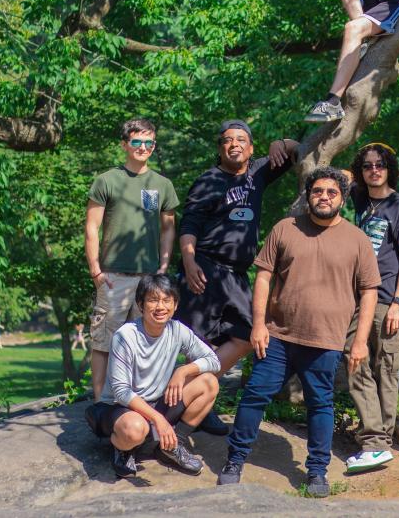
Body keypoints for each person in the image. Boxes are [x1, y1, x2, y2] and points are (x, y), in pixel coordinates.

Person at [217, 167, 380, 498]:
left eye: (332, 192)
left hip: (326, 340)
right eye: (317, 191)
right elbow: (263, 277)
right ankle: (234, 461)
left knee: (320, 404)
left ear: (343, 198)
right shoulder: (285, 228)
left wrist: (360, 341)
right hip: (277, 335)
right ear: (308, 195)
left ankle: (317, 471)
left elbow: (369, 292)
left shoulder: (357, 239)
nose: (324, 197)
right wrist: (258, 324)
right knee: (255, 394)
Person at [175, 120, 299, 435]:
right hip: (206, 267)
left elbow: (299, 149)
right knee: (200, 343)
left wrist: (281, 142)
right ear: (220, 148)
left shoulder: (258, 172)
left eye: (241, 140)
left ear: (251, 147)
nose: (235, 145)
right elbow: (189, 224)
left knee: (246, 336)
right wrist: (188, 261)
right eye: (228, 140)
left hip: (238, 274)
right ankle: (197, 406)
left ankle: (193, 394)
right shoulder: (208, 181)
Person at [85, 274, 221, 478]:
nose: (160, 307)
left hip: (156, 401)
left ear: (175, 305)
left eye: (167, 300)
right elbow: (122, 392)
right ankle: (122, 447)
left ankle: (172, 445)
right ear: (141, 304)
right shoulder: (125, 336)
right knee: (134, 430)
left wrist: (183, 371)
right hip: (121, 407)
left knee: (209, 382)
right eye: (153, 300)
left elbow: (213, 361)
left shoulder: (177, 330)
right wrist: (158, 419)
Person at [339, 142, 399, 473]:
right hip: (358, 298)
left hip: (388, 299)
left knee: (386, 368)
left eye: (381, 165)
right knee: (355, 360)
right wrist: (354, 170)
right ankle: (376, 436)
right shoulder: (360, 200)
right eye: (368, 165)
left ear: (390, 169)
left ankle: (379, 441)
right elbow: (340, 175)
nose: (375, 170)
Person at [85, 118, 180, 402]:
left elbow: (168, 228)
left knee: (145, 343)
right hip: (112, 276)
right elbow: (91, 227)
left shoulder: (162, 185)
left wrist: (163, 265)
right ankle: (102, 404)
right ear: (125, 144)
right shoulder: (106, 180)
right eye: (136, 141)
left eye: (149, 142)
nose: (143, 147)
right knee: (104, 342)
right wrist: (96, 271)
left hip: (148, 280)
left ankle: (139, 402)